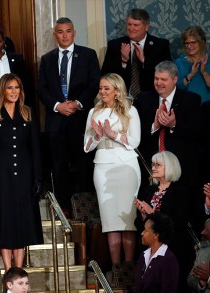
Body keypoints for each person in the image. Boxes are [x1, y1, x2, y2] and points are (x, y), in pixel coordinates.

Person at [0, 73, 42, 270]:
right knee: (4, 222)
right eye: (10, 88)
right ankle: (8, 270)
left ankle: (18, 270)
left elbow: (35, 150)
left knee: (21, 223)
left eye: (17, 87)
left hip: (23, 176)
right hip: (0, 176)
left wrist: (37, 179)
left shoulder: (27, 113)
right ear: (2, 90)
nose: (14, 91)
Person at [37, 17, 101, 213]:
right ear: (55, 34)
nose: (64, 35)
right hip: (56, 122)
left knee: (83, 166)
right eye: (60, 31)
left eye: (68, 31)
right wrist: (57, 105)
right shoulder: (47, 59)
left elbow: (94, 84)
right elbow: (41, 88)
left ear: (74, 33)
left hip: (80, 120)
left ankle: (84, 210)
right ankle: (63, 208)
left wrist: (77, 103)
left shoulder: (88, 55)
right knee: (59, 167)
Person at [83, 73, 141, 285]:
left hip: (126, 167)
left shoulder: (130, 110)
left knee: (127, 220)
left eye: (107, 88)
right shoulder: (93, 112)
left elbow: (135, 141)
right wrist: (98, 135)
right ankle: (116, 271)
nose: (102, 92)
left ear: (117, 90)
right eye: (101, 88)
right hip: (103, 167)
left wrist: (112, 133)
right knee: (110, 221)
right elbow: (86, 146)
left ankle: (128, 268)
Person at [134, 61, 202, 208]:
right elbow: (136, 134)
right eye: (156, 78)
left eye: (163, 79)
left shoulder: (191, 100)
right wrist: (155, 126)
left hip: (181, 170)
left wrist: (174, 125)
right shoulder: (143, 99)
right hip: (151, 170)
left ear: (175, 79)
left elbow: (198, 132)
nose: (158, 83)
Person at [134, 151, 192, 292]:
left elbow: (180, 221)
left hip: (173, 248)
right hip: (149, 249)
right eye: (153, 164)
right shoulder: (148, 191)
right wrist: (143, 217)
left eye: (158, 165)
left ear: (170, 167)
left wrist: (153, 213)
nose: (153, 167)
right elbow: (138, 224)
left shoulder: (180, 192)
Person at [101, 8, 171, 98]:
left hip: (150, 99)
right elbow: (106, 76)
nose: (131, 28)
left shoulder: (160, 45)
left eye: (136, 25)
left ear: (146, 27)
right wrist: (123, 61)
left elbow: (167, 74)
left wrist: (144, 60)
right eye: (129, 24)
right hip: (122, 100)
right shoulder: (115, 45)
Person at [134, 213, 179, 293]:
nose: (142, 233)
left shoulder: (168, 260)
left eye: (146, 230)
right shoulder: (143, 255)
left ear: (155, 235)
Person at [174, 26, 210, 104]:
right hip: (187, 107)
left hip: (207, 107)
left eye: (193, 42)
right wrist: (190, 75)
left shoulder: (208, 61)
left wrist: (204, 72)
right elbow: (176, 89)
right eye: (186, 43)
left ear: (202, 42)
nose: (189, 46)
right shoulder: (179, 63)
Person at [188, 218, 210, 292]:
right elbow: (190, 280)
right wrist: (201, 284)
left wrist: (208, 278)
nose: (202, 232)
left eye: (207, 230)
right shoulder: (202, 251)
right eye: (204, 228)